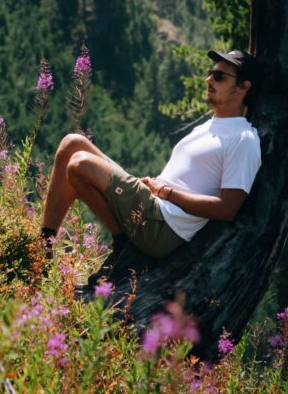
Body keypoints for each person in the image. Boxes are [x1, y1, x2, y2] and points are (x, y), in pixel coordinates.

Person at [40, 49, 262, 265]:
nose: (208, 79)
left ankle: (123, 246)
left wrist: (166, 192)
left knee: (81, 164)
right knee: (72, 143)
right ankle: (43, 247)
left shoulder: (243, 139)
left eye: (219, 76)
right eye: (210, 72)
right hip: (154, 205)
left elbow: (227, 209)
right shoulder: (209, 127)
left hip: (164, 225)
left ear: (244, 87)